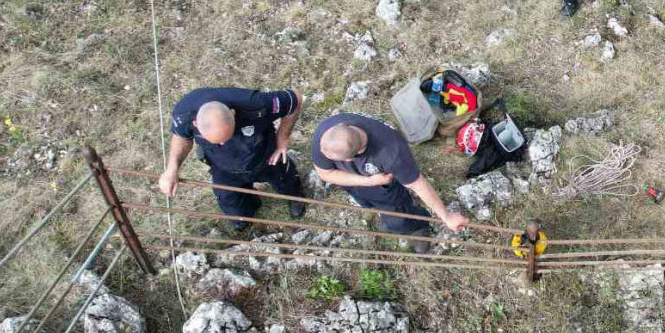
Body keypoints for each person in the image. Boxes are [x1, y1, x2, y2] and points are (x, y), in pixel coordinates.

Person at [311, 112, 468, 253]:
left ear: (351, 158)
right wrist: (368, 181)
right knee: (366, 201)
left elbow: (418, 184)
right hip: (364, 179)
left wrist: (447, 217)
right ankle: (385, 216)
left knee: (396, 211)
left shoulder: (392, 152)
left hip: (383, 182)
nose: (322, 156)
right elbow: (325, 173)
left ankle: (415, 227)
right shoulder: (326, 134)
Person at [159, 87, 306, 233]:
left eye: (226, 138)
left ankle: (294, 198)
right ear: (196, 124)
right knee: (235, 210)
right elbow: (181, 136)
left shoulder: (256, 103)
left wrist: (282, 139)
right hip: (224, 168)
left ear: (233, 114)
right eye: (216, 142)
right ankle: (247, 210)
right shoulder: (184, 114)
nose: (223, 144)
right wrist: (172, 169)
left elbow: (295, 99)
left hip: (266, 157)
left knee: (287, 182)